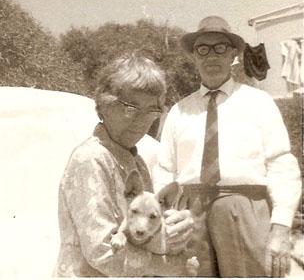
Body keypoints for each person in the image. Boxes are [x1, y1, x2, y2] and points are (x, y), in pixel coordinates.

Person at [153, 16, 301, 277]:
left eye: (220, 47)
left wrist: (280, 225)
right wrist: (164, 217)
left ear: (233, 54)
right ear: (194, 56)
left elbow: (282, 165)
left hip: (245, 210)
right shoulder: (179, 110)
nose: (212, 56)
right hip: (190, 215)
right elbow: (164, 170)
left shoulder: (259, 102)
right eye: (203, 49)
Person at [54, 54, 194, 277]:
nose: (141, 120)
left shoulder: (136, 162)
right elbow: (102, 250)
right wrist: (170, 267)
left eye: (151, 110)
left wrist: (175, 229)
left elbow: (141, 232)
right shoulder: (91, 159)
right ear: (105, 105)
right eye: (131, 107)